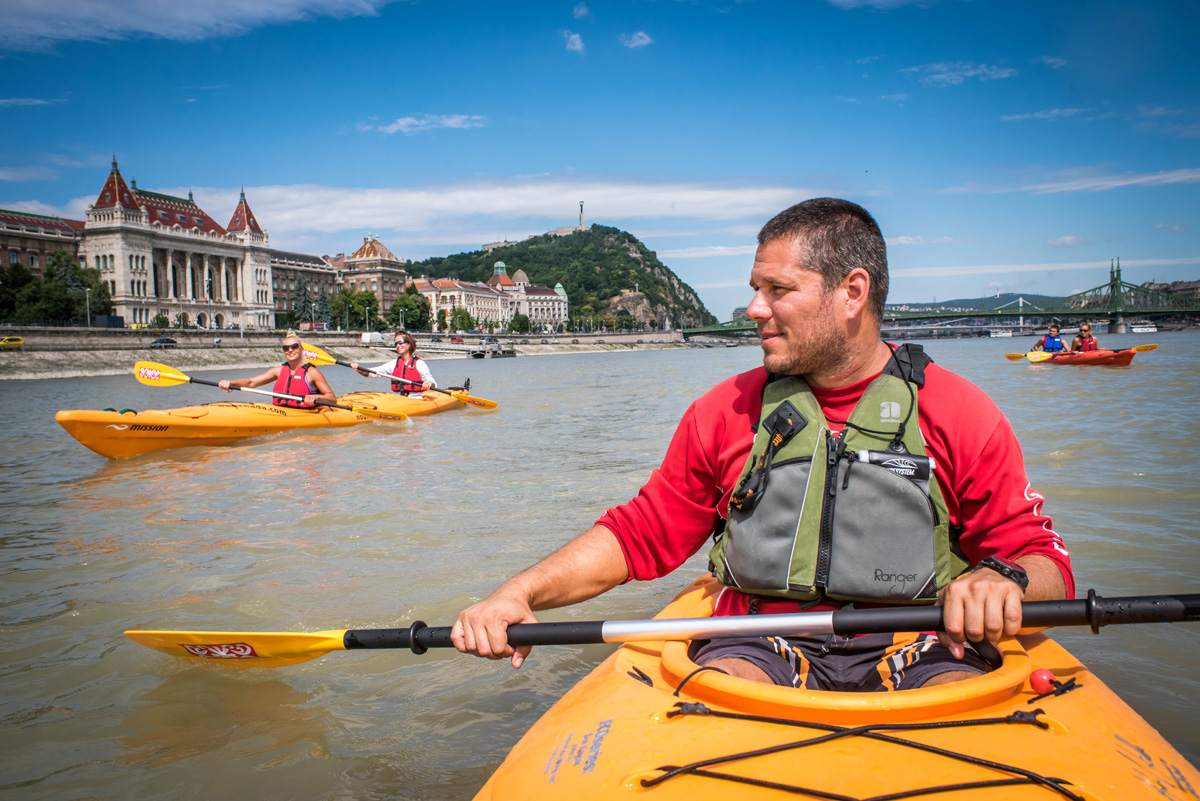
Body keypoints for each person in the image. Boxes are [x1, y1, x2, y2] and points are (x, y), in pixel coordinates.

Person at [452, 197, 1074, 692]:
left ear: (852, 292)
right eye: (756, 288)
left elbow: (1043, 558)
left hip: (924, 640)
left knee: (957, 702)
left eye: (777, 289)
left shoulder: (958, 412)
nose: (753, 308)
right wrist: (519, 592)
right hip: (759, 642)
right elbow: (641, 534)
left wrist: (1005, 579)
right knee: (723, 690)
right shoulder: (724, 412)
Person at [217, 332, 336, 409]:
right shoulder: (277, 371)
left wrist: (316, 398)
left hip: (305, 413)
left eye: (294, 346)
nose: (290, 350)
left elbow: (332, 398)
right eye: (286, 348)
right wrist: (230, 383)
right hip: (281, 412)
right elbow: (251, 382)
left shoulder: (311, 373)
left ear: (302, 350)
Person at [349, 331, 436, 397]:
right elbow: (373, 373)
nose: (398, 346)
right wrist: (359, 369)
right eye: (396, 344)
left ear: (409, 343)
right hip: (397, 399)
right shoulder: (394, 364)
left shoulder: (419, 364)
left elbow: (433, 384)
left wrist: (428, 383)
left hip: (415, 399)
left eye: (401, 342)